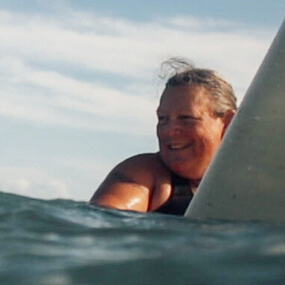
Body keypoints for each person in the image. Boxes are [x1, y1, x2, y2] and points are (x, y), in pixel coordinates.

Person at [90, 58, 236, 215]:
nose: (168, 130)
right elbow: (103, 221)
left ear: (228, 124)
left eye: (186, 118)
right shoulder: (144, 174)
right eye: (163, 119)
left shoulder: (256, 181)